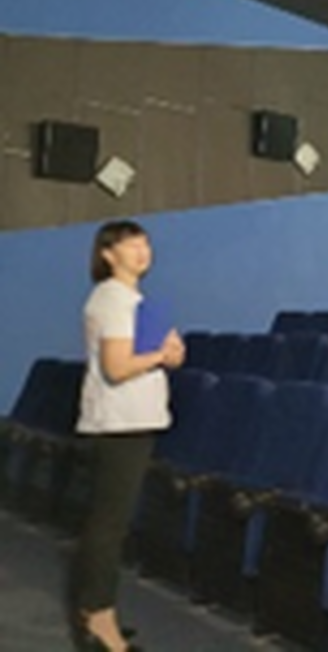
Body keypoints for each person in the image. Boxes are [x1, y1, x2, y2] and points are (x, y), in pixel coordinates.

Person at [72, 221, 185, 652]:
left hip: (134, 420)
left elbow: (161, 355)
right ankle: (99, 622)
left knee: (110, 521)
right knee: (109, 525)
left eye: (145, 243)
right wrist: (158, 355)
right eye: (131, 244)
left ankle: (98, 612)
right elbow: (117, 367)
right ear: (107, 254)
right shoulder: (113, 299)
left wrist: (171, 354)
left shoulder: (134, 300)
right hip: (120, 423)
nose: (143, 251)